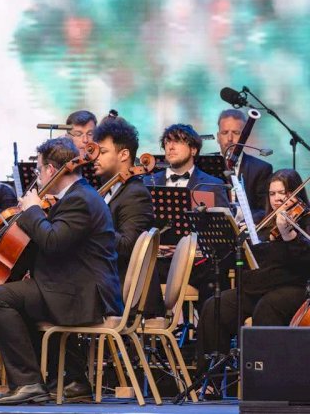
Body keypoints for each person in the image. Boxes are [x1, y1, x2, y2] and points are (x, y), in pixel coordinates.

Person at [0, 137, 122, 406]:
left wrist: (33, 209)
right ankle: (71, 380)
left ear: (51, 169)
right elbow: (56, 244)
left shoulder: (80, 199)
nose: (38, 177)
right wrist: (3, 252)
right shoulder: (78, 195)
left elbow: (53, 242)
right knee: (16, 298)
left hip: (82, 295)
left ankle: (28, 383)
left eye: (39, 170)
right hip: (70, 287)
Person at [195, 169, 310, 375]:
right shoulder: (264, 224)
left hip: (294, 288)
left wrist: (289, 236)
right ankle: (211, 378)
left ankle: (265, 378)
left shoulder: (305, 222)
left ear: (295, 193)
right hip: (260, 287)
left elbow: (305, 262)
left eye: (283, 193)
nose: (277, 199)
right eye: (272, 194)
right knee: (215, 306)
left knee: (267, 307)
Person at [151, 123, 230, 305]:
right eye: (167, 142)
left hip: (196, 263)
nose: (170, 147)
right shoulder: (149, 181)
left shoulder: (213, 185)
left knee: (215, 274)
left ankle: (206, 321)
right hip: (160, 261)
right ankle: (153, 320)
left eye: (178, 141)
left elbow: (223, 235)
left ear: (193, 149)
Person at [92, 117, 162, 317]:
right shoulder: (107, 189)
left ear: (123, 154)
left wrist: (91, 223)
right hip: (107, 285)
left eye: (102, 152)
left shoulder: (135, 193)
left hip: (122, 296)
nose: (94, 157)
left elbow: (126, 247)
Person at [216, 109, 273, 223]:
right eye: (225, 133)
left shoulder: (261, 169)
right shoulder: (203, 163)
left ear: (245, 137)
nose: (230, 139)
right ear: (218, 137)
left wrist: (243, 221)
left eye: (236, 133)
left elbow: (264, 209)